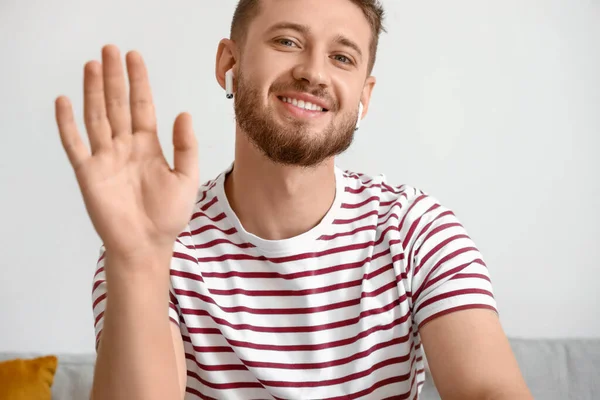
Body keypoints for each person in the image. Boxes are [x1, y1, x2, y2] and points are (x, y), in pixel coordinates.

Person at [54, 0, 533, 399]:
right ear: (229, 62)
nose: (312, 73)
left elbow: (489, 390)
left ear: (363, 97)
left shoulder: (416, 231)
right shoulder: (158, 243)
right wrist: (139, 259)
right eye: (287, 41)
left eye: (342, 57)